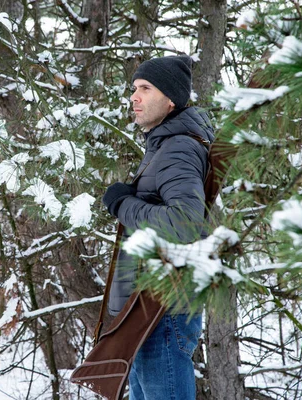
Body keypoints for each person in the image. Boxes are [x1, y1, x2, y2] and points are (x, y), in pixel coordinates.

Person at [101, 55, 215, 400]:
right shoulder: (165, 144)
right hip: (151, 304)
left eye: (145, 88)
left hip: (162, 308)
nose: (134, 96)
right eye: (134, 88)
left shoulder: (178, 147)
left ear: (171, 100)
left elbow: (184, 224)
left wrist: (123, 205)